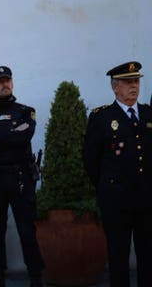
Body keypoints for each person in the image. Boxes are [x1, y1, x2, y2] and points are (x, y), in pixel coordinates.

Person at [0, 66, 44, 287]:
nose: (5, 84)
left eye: (8, 80)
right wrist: (12, 133)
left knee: (26, 228)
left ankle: (35, 278)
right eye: (0, 81)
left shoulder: (25, 111)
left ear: (12, 83)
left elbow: (24, 139)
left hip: (21, 178)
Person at [83, 61, 152, 287]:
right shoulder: (101, 118)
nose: (134, 86)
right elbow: (91, 161)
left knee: (148, 258)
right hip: (116, 201)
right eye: (127, 82)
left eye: (136, 81)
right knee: (118, 256)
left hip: (146, 199)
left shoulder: (148, 114)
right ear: (115, 87)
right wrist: (107, 187)